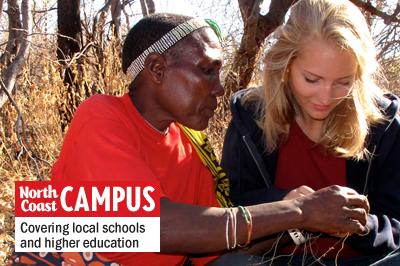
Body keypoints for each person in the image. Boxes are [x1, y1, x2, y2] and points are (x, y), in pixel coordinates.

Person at [47, 13, 371, 266]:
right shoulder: (102, 114)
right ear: (157, 68)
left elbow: (218, 242)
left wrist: (302, 221)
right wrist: (299, 210)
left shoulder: (191, 145)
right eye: (207, 70)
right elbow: (153, 227)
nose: (218, 88)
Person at [221, 0, 400, 265]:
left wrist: (357, 226)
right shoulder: (250, 116)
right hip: (274, 260)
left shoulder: (384, 122)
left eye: (343, 82)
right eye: (311, 79)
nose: (325, 97)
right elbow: (230, 205)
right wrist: (287, 207)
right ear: (286, 64)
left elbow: (395, 223)